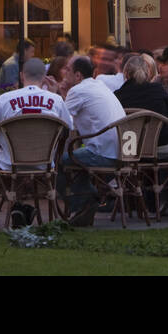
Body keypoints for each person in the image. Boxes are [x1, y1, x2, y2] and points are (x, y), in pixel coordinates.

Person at [62, 56, 126, 224]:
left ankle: (83, 205)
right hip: (124, 153)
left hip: (103, 153)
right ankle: (87, 201)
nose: (63, 72)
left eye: (67, 69)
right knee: (77, 160)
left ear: (77, 76)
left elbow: (61, 122)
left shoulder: (78, 91)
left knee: (60, 162)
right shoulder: (99, 86)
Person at [116, 54, 168, 151]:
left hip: (130, 151)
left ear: (126, 73)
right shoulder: (159, 90)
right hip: (163, 148)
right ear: (148, 73)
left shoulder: (118, 95)